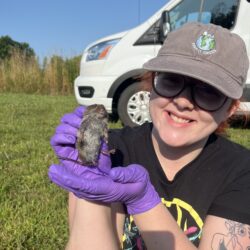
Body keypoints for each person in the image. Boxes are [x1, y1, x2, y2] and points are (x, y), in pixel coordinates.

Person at [48, 22, 250, 249]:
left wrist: (143, 201)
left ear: (230, 108)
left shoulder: (242, 172)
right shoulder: (112, 150)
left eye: (208, 91)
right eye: (172, 79)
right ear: (152, 82)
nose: (183, 101)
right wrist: (90, 188)